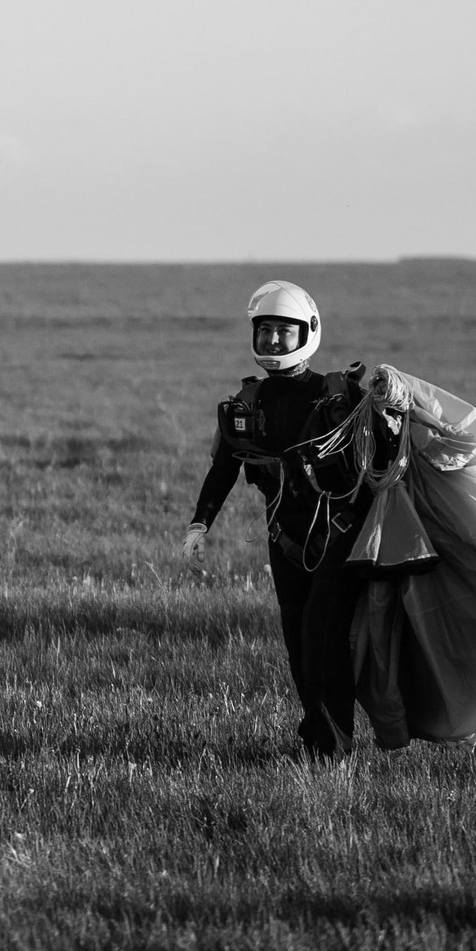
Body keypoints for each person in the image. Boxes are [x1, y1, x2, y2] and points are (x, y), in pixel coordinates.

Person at [181, 280, 378, 760]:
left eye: (282, 331)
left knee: (321, 638)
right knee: (297, 643)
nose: (272, 339)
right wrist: (199, 525)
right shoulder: (248, 402)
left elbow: (381, 461)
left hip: (336, 537)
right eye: (264, 330)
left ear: (306, 332)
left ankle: (332, 749)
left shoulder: (340, 397)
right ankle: (318, 740)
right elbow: (223, 468)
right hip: (283, 538)